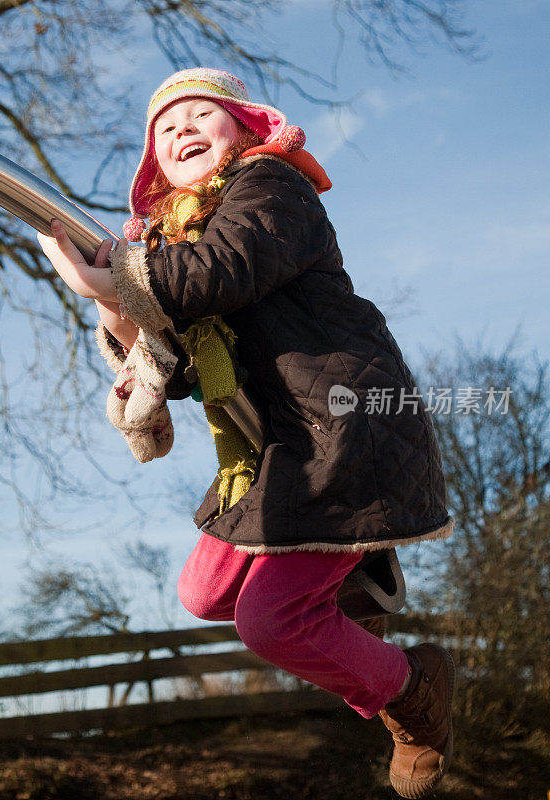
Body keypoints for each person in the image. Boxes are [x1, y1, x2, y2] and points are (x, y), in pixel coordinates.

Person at [38, 68, 455, 799]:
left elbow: (223, 270)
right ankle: (349, 594)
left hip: (344, 429)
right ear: (155, 167)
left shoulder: (270, 188)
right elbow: (186, 359)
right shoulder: (176, 240)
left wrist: (110, 282)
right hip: (282, 443)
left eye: (202, 115)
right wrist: (120, 320)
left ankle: (413, 693)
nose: (182, 131)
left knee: (269, 623)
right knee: (203, 594)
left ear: (247, 129)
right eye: (165, 130)